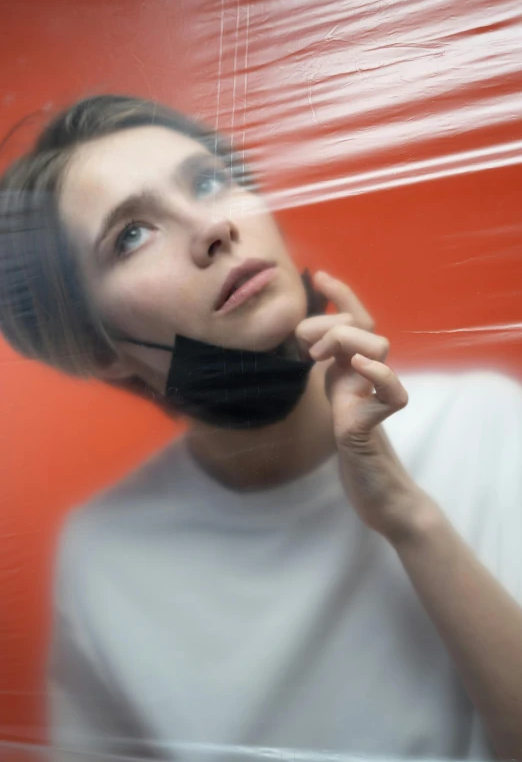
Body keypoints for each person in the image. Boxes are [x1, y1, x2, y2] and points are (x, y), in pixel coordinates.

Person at [0, 95, 521, 762]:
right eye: (131, 233)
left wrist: (404, 512)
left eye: (209, 181)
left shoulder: (482, 424)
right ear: (97, 347)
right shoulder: (105, 558)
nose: (213, 225)